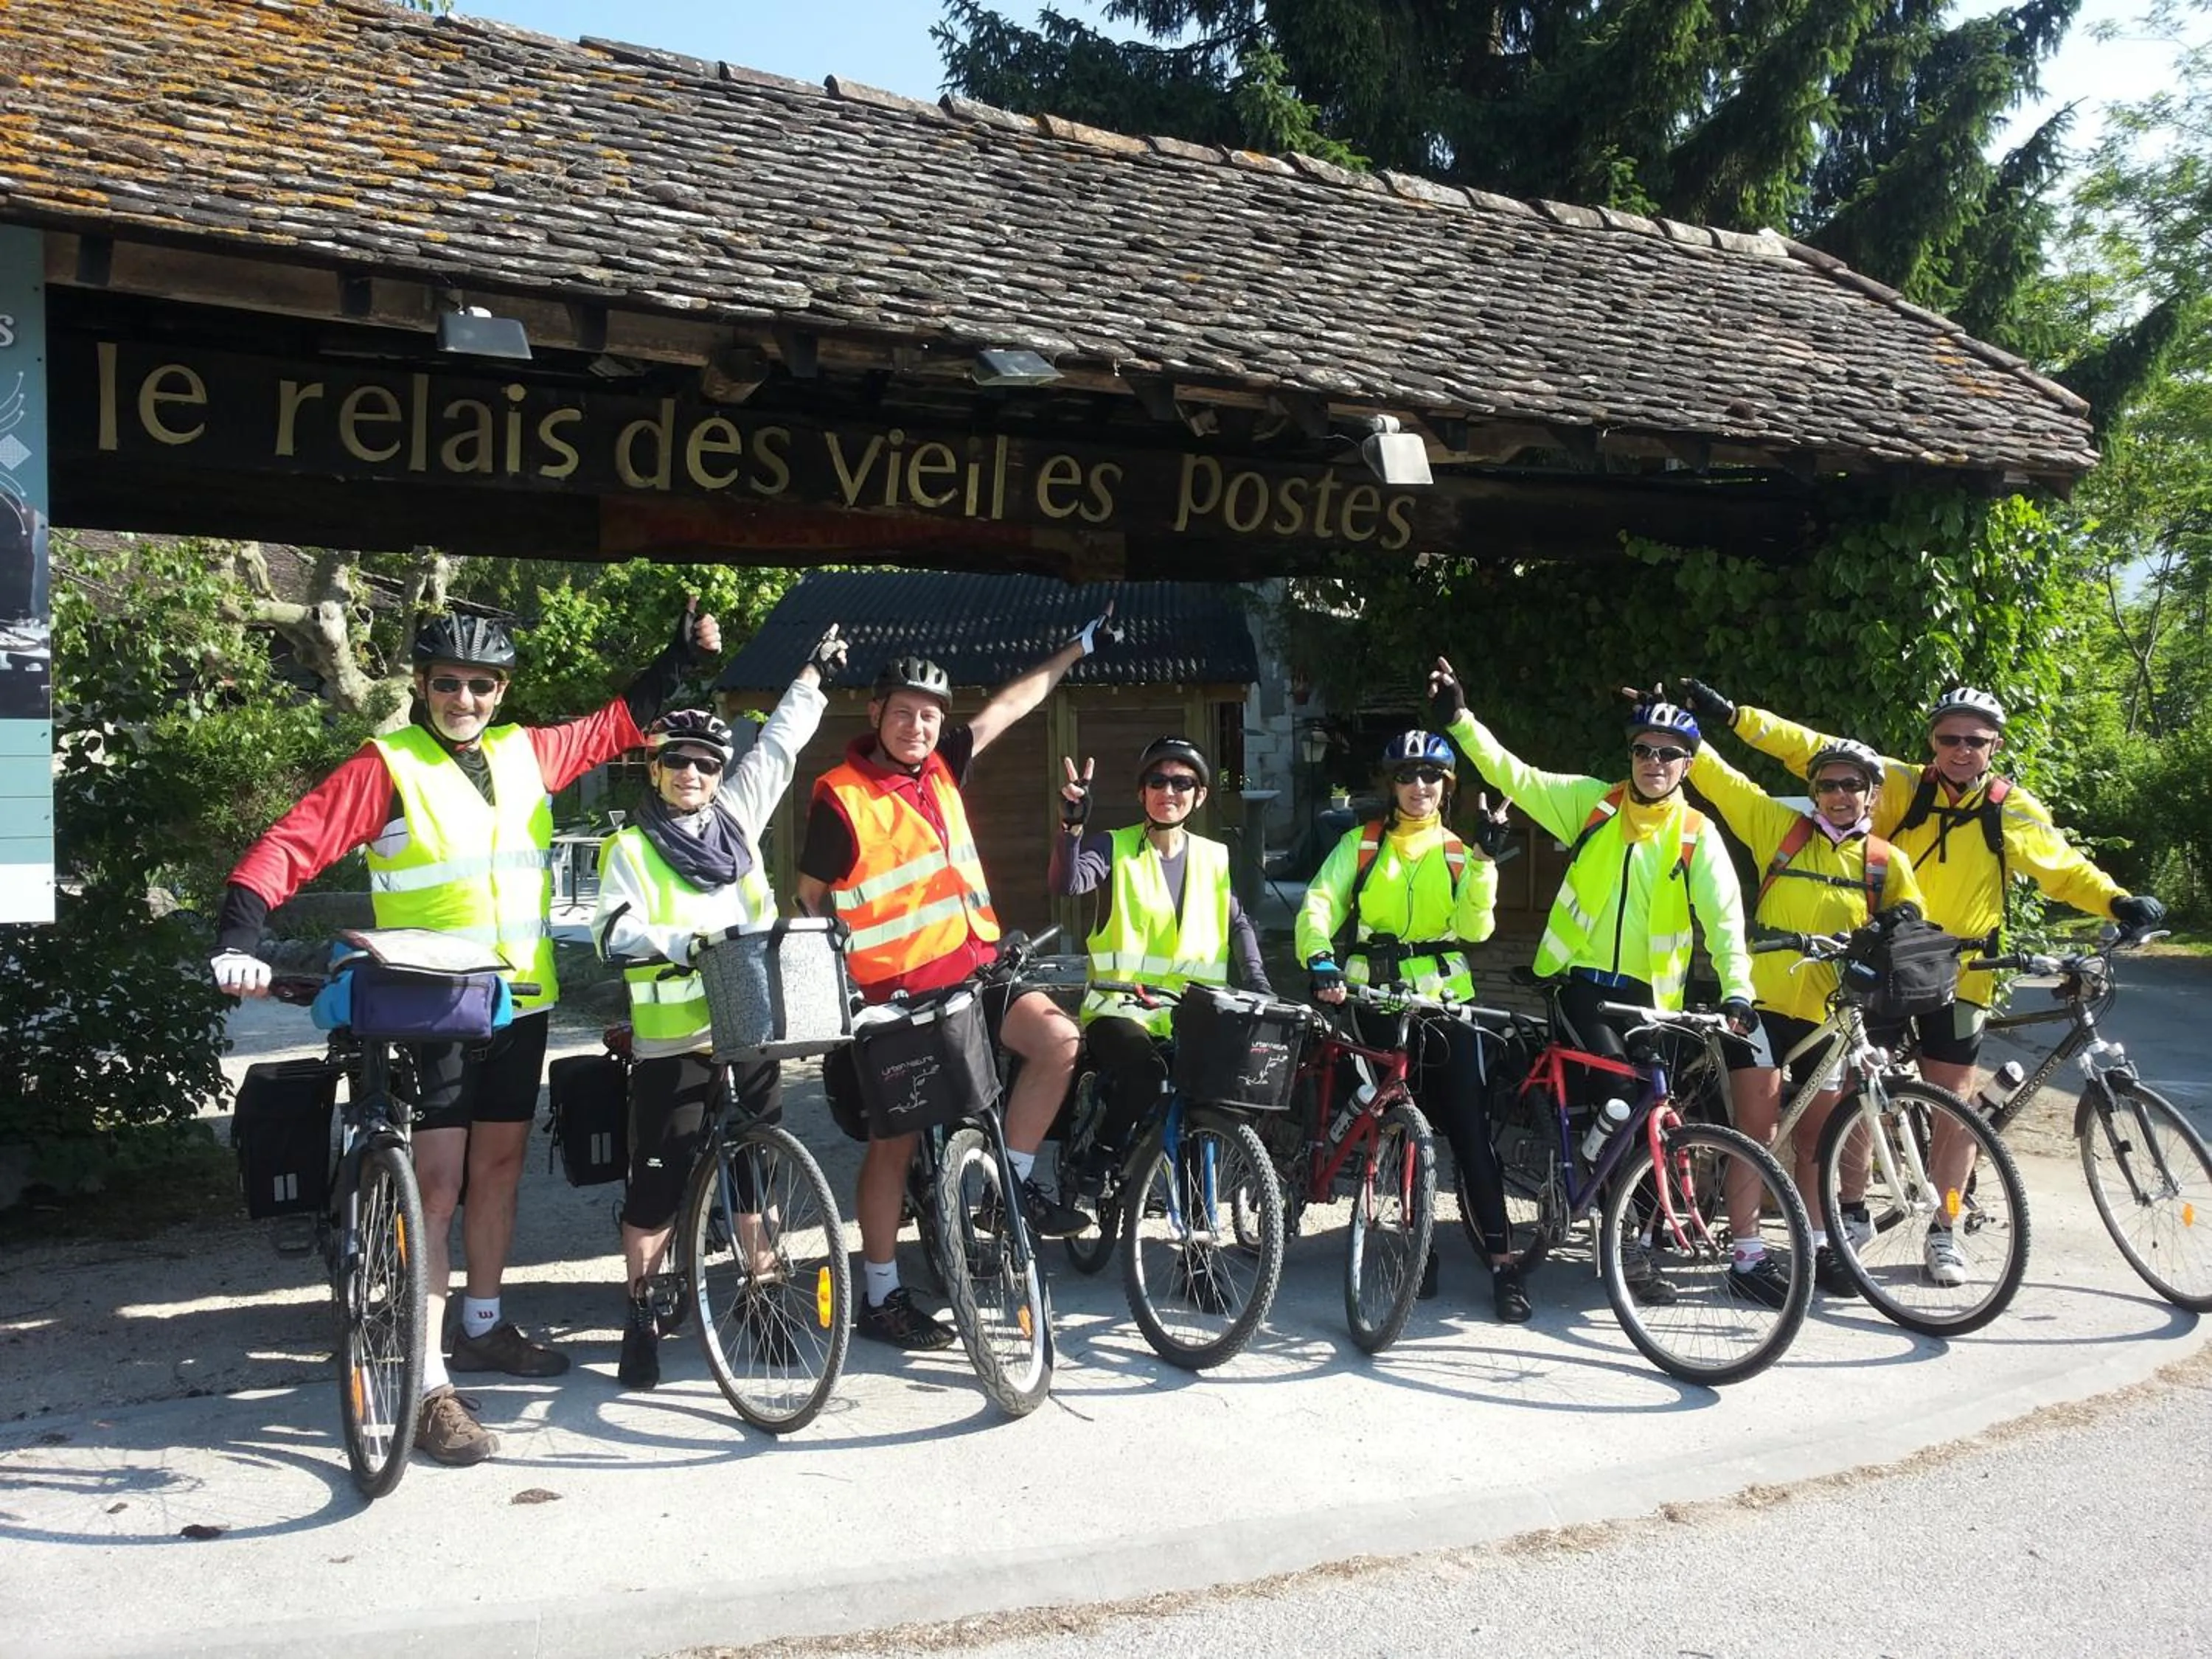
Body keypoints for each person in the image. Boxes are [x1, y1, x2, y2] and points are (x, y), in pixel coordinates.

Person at [212, 600, 720, 1464]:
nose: (464, 698)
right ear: (421, 685)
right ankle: (428, 1380)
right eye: (447, 683)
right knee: (438, 1188)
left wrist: (680, 658)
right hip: (428, 1005)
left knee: (500, 1171)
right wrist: (237, 938)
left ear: (501, 692)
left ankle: (483, 1325)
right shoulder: (389, 767)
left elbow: (616, 726)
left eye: (481, 685)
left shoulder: (527, 753)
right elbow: (292, 844)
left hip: (519, 1001)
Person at [1677, 678, 2167, 1286]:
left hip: (1957, 974)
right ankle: (1848, 1214)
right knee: (1860, 1097)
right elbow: (1811, 749)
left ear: (1995, 746)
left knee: (1954, 1108)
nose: (1961, 750)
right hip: (1883, 970)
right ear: (1933, 741)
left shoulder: (2010, 808)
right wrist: (1734, 715)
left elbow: (2064, 869)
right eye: (1949, 739)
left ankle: (1945, 1228)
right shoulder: (1901, 785)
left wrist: (2117, 901)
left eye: (1975, 741)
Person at [795, 611, 1118, 1349]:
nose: (918, 726)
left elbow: (1012, 704)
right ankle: (881, 1295)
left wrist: (1076, 649)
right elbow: (810, 898)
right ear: (875, 714)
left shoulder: (942, 765)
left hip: (976, 968)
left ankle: (1012, 1188)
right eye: (903, 713)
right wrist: (833, 988)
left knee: (1060, 1040)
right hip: (900, 994)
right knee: (896, 1145)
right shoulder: (841, 796)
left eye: (930, 715)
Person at [1428, 661, 1759, 1304]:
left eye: (1669, 754)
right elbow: (1515, 775)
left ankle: (1630, 1239)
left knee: (1651, 1114)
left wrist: (1738, 990)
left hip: (1652, 1000)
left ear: (1688, 765)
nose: (1654, 762)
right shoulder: (1595, 804)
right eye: (1643, 751)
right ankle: (1591, 1180)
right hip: (1578, 985)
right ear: (1630, 756)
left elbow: (1725, 923)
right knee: (1618, 1097)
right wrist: (1460, 722)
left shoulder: (1697, 836)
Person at [590, 626, 846, 1388]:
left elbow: (780, 748)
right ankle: (640, 1313)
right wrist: (680, 941)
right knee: (657, 1187)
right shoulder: (630, 849)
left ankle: (762, 1302)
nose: (693, 773)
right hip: (673, 1041)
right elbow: (610, 932)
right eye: (678, 761)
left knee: (756, 1175)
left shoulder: (736, 820)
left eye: (706, 763)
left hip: (748, 1025)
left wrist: (814, 675)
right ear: (656, 768)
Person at [1293, 731, 1526, 1318]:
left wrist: (1485, 862)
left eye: (1431, 776)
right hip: (1374, 998)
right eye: (1406, 775)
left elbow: (1474, 931)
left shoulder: (1458, 851)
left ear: (1447, 786)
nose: (1419, 785)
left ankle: (1504, 1265)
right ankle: (1419, 1250)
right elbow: (1319, 905)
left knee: (1471, 1133)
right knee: (1397, 1124)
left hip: (1445, 1004)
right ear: (1391, 784)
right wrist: (1319, 958)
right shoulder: (1362, 845)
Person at [1687, 729, 1927, 1297]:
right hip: (1762, 1006)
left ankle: (1820, 1245)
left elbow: (1915, 914)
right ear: (1814, 791)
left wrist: (1901, 919)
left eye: (1853, 785)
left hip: (1829, 1015)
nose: (1840, 794)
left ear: (1872, 794)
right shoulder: (1780, 829)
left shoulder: (1884, 860)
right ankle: (1747, 1257)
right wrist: (1687, 728)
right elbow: (1724, 783)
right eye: (1828, 785)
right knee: (1757, 1131)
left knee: (1820, 1137)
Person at [1050, 737, 1273, 1172]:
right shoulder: (1113, 847)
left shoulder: (1213, 858)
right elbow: (1068, 883)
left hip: (1192, 1015)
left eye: (1182, 783)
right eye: (1157, 781)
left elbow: (1238, 923)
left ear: (1200, 795)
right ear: (1142, 792)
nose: (1169, 791)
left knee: (1212, 1094)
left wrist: (1258, 983)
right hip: (1119, 1010)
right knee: (1147, 1074)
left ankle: (1192, 1205)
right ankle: (1100, 1157)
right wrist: (1071, 830)